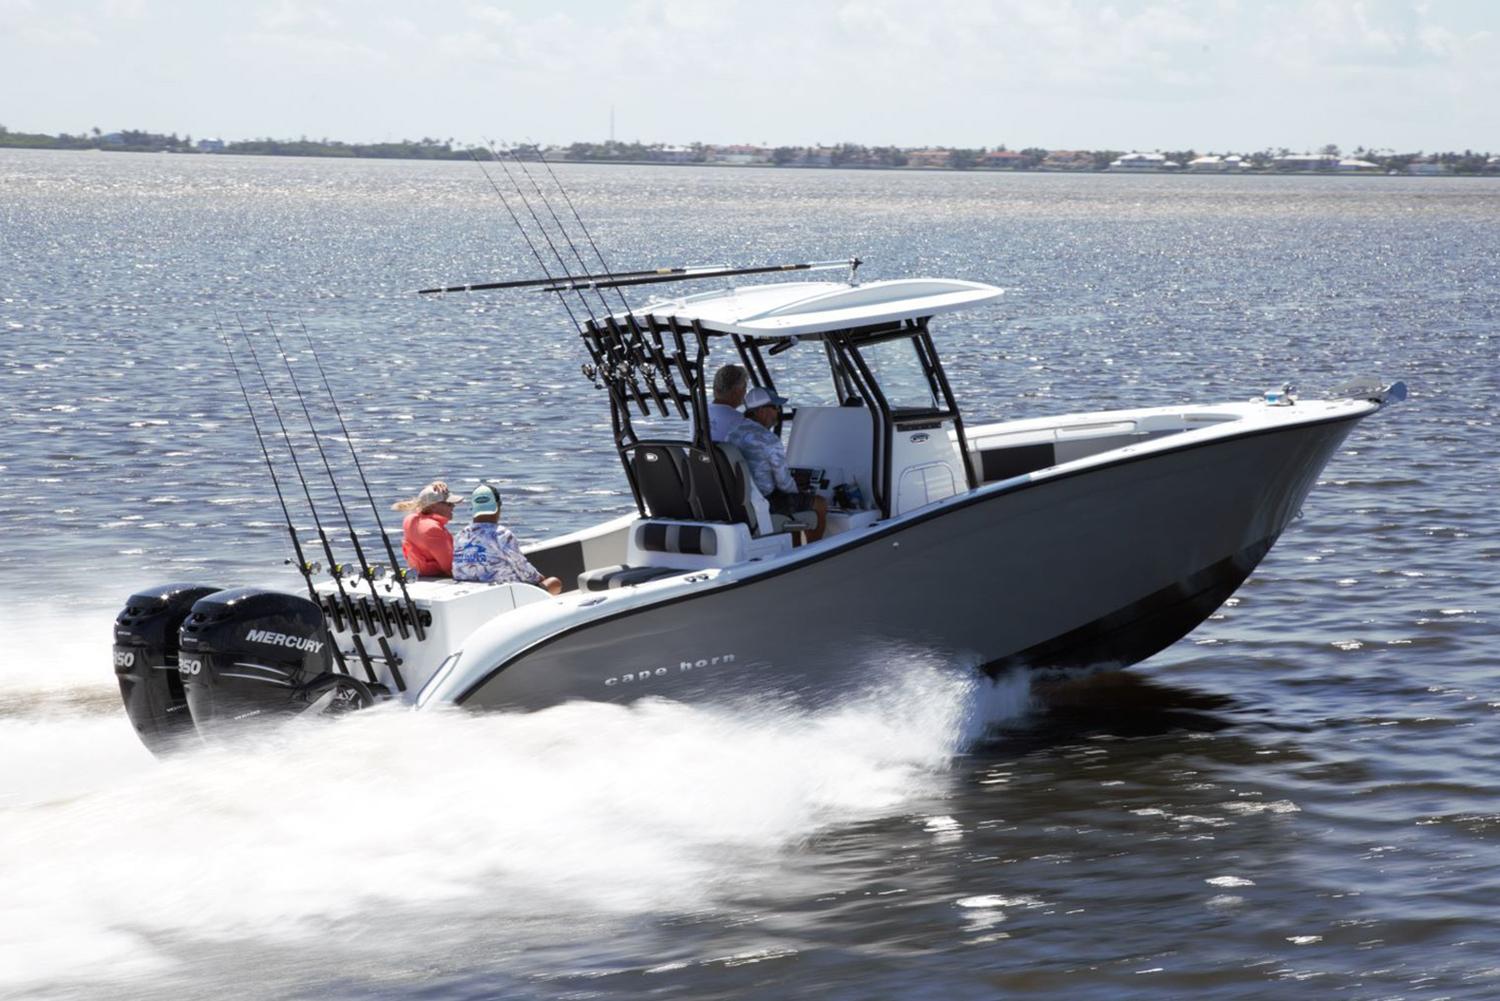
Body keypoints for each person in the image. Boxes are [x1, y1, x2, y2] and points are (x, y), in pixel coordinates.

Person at [728, 386, 827, 542]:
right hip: (765, 501)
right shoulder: (769, 440)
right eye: (774, 407)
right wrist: (799, 490)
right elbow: (784, 484)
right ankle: (813, 552)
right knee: (820, 504)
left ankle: (793, 551)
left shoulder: (732, 434)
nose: (778, 412)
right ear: (760, 410)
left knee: (792, 503)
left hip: (742, 501)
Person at [452, 482, 564, 595]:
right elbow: (526, 573)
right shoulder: (502, 534)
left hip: (472, 594)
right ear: (499, 505)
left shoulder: (460, 535)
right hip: (505, 595)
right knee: (554, 583)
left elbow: (457, 571)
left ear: (473, 507)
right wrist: (540, 579)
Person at [392, 480, 462, 578]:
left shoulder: (410, 519)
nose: (453, 506)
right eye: (449, 504)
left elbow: (422, 502)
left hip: (419, 574)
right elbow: (451, 568)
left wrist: (432, 486)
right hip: (437, 578)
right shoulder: (433, 529)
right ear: (433, 507)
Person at [706, 363, 750, 442]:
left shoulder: (697, 415)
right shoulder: (741, 421)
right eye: (744, 388)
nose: (745, 392)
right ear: (737, 391)